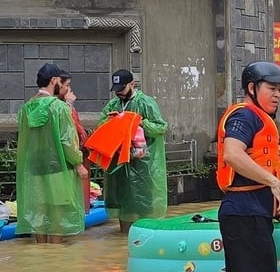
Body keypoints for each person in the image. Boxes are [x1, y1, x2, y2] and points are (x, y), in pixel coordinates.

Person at [215, 61, 280, 272]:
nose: (277, 95)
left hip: (242, 211)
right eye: (271, 88)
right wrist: (273, 182)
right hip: (246, 212)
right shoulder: (245, 116)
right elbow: (233, 154)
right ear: (251, 88)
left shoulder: (256, 117)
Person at [15, 63, 85, 243]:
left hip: (34, 169)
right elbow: (67, 140)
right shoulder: (59, 108)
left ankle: (42, 252)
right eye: (61, 82)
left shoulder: (26, 109)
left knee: (40, 213)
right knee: (57, 215)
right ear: (54, 81)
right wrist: (78, 163)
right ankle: (55, 258)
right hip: (57, 168)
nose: (63, 86)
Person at [96, 69, 168, 232]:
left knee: (142, 202)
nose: (119, 93)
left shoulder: (145, 103)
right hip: (118, 164)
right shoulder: (113, 105)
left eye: (122, 89)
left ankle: (144, 237)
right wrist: (110, 122)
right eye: (116, 90)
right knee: (122, 203)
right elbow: (100, 127)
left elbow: (161, 127)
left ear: (132, 84)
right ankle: (124, 238)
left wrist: (140, 123)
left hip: (142, 165)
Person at [55, 71, 91, 213]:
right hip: (66, 160)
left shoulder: (65, 106)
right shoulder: (59, 107)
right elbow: (65, 134)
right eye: (67, 85)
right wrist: (78, 164)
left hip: (76, 154)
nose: (70, 90)